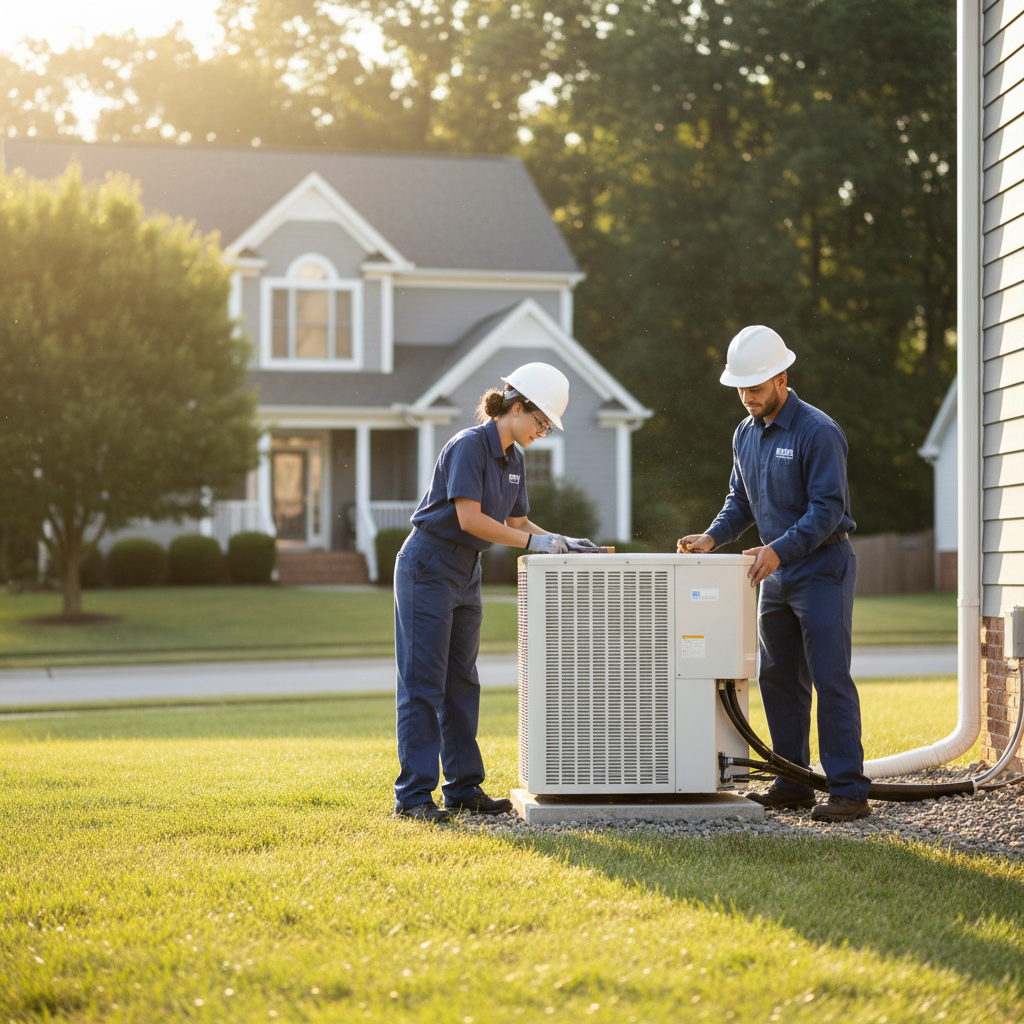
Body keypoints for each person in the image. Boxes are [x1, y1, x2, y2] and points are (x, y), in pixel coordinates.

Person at [678, 325, 871, 823]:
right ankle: (793, 782)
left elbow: (828, 508)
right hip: (775, 571)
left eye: (756, 388)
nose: (747, 398)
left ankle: (849, 790)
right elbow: (740, 502)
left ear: (782, 378)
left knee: (830, 678)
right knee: (779, 678)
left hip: (822, 567)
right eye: (740, 389)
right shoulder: (745, 433)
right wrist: (712, 537)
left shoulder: (818, 431)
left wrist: (779, 550)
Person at [394, 362, 600, 822]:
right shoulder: (469, 446)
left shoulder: (515, 459)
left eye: (547, 426)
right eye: (541, 422)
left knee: (462, 682)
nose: (542, 432)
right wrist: (536, 543)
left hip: (467, 569)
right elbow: (469, 519)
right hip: (427, 564)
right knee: (424, 683)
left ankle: (464, 789)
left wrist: (562, 542)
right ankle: (412, 799)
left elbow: (519, 524)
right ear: (517, 407)